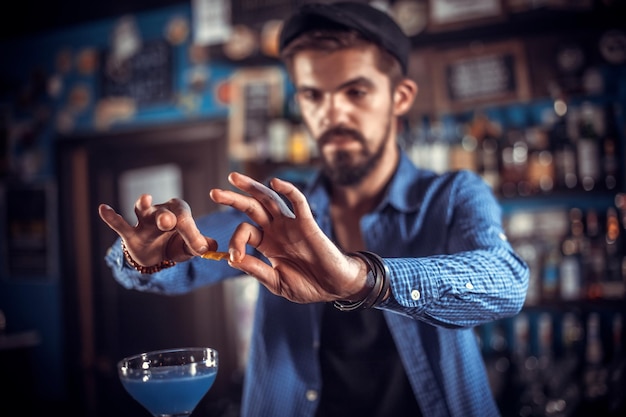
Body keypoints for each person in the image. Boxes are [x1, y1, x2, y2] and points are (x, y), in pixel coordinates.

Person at [98, 2, 529, 416]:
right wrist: (145, 254)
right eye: (312, 95)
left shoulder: (452, 196)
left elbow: (507, 281)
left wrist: (364, 279)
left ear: (400, 97)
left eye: (355, 91)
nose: (332, 112)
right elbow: (169, 261)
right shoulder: (273, 208)